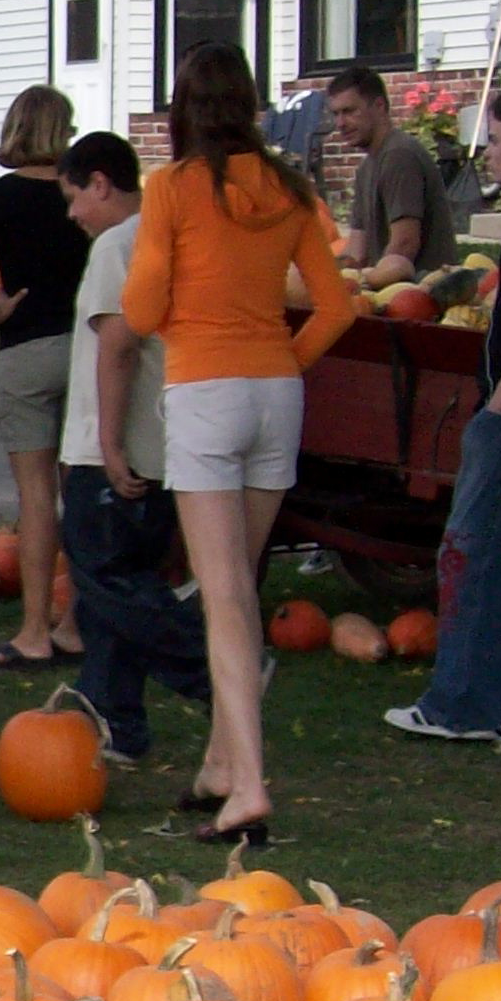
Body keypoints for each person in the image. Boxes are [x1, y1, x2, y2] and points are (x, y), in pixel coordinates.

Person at [122, 41, 355, 843]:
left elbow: (144, 311)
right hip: (275, 393)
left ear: (185, 108)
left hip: (205, 391)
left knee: (220, 595)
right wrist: (282, 363)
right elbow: (337, 305)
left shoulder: (172, 188)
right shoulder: (290, 188)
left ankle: (249, 787)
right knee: (241, 590)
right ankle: (223, 761)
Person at [52, 132, 209, 769]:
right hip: (157, 441)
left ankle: (213, 667)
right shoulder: (169, 236)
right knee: (109, 593)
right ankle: (114, 719)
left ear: (100, 183)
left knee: (105, 576)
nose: (72, 215)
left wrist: (110, 446)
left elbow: (117, 346)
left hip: (110, 449)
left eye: (74, 198)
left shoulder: (120, 246)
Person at [0, 85, 93, 669]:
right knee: (79, 488)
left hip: (25, 348)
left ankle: (33, 630)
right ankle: (76, 620)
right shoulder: (82, 195)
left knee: (35, 498)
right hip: (84, 345)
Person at [391, 85, 501, 741]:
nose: (488, 154)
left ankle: (459, 706)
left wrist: (497, 407)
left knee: (470, 554)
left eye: (495, 140)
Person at [325, 62, 459, 290]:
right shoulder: (367, 168)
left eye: (349, 111)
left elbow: (404, 245)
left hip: (425, 296)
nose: (340, 123)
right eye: (335, 114)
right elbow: (357, 252)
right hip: (390, 292)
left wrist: (368, 285)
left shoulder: (399, 155)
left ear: (379, 106)